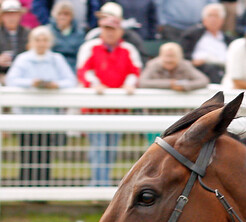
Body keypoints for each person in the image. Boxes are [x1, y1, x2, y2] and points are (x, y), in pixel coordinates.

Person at [5, 25, 76, 182]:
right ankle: (26, 184)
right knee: (26, 151)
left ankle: (43, 183)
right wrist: (31, 82)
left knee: (45, 151)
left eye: (44, 40)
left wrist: (55, 85)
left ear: (49, 42)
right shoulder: (23, 59)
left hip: (49, 115)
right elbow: (12, 80)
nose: (41, 43)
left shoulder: (56, 59)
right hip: (26, 115)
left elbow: (70, 80)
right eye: (38, 40)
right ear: (31, 42)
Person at [76, 15, 141, 185]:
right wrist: (95, 85)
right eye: (106, 29)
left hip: (117, 108)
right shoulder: (91, 47)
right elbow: (83, 70)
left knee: (111, 149)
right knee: (97, 148)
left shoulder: (128, 49)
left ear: (120, 31)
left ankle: (102, 184)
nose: (109, 32)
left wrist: (128, 86)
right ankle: (98, 184)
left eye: (112, 29)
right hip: (94, 108)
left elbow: (134, 71)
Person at [180, 3, 231, 84]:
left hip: (225, 69)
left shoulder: (228, 39)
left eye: (216, 16)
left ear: (222, 20)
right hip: (199, 70)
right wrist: (193, 62)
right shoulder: (191, 34)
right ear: (204, 19)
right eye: (210, 15)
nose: (213, 19)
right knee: (211, 70)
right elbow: (184, 56)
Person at [138, 41, 209, 90]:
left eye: (172, 56)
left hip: (181, 105)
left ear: (179, 57)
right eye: (166, 56)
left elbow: (203, 80)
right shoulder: (153, 65)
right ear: (160, 56)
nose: (169, 59)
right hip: (156, 105)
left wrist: (184, 86)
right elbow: (142, 82)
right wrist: (170, 84)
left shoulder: (185, 65)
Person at [47, 0, 83, 68]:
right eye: (59, 14)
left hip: (72, 66)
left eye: (66, 14)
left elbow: (80, 54)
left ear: (71, 16)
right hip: (52, 66)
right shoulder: (48, 32)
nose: (62, 17)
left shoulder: (79, 33)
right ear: (54, 15)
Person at [0, 0, 30, 78]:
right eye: (8, 15)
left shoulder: (28, 33)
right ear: (2, 16)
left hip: (24, 75)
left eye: (14, 14)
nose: (11, 18)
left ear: (20, 16)